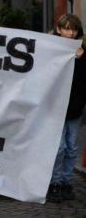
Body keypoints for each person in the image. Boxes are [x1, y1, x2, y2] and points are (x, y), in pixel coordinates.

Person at [47, 14, 86, 203]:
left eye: (74, 29)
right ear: (59, 30)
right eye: (67, 29)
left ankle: (66, 182)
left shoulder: (83, 53)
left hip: (75, 109)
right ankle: (54, 182)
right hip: (56, 108)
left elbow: (82, 81)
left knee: (71, 147)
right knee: (59, 147)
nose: (70, 33)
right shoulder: (51, 50)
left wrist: (80, 59)